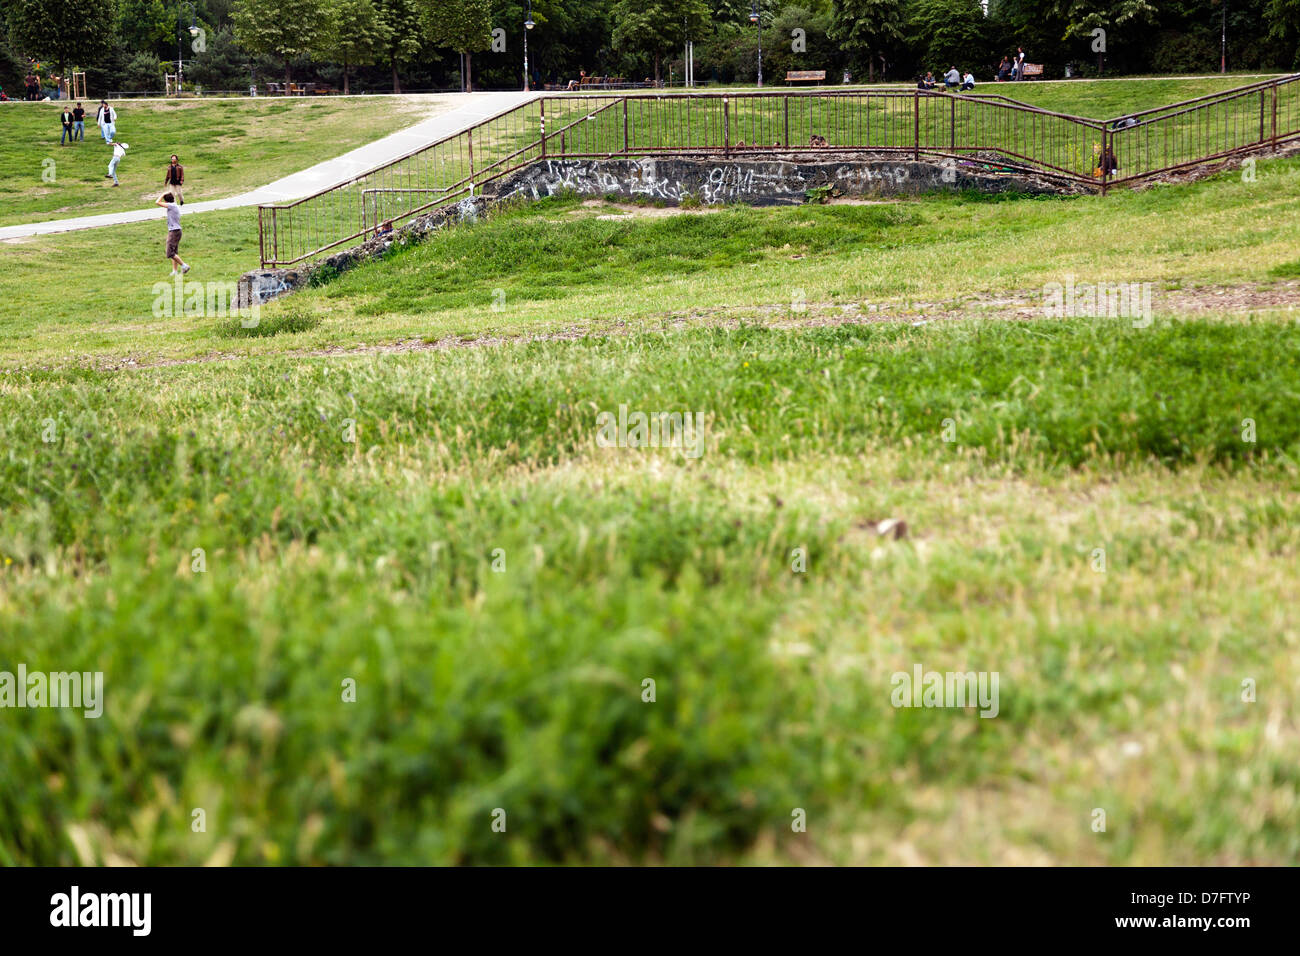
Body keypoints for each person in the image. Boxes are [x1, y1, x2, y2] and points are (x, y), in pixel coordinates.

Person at [155, 192, 189, 276]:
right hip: (176, 231)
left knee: (170, 253)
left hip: (174, 231)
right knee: (174, 252)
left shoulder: (171, 206)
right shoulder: (174, 205)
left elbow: (157, 202)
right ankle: (174, 271)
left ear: (166, 201)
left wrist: (162, 194)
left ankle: (184, 266)